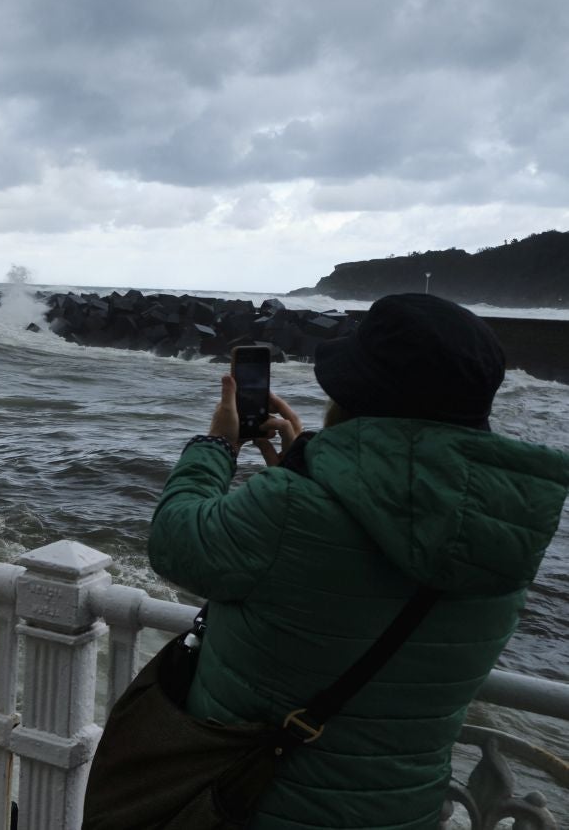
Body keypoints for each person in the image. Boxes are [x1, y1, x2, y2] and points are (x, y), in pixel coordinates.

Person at [147, 293, 569, 829]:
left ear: (352, 394)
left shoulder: (289, 510)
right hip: (406, 813)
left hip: (258, 804)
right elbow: (408, 513)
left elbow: (175, 540)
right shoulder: (511, 528)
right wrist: (312, 467)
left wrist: (216, 447)